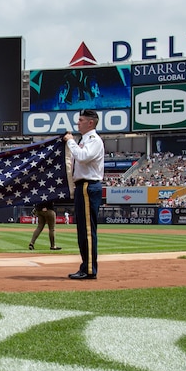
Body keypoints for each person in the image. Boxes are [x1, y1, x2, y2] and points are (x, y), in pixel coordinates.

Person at [63, 109, 104, 280]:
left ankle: (89, 269)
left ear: (91, 122)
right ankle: (85, 266)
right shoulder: (85, 139)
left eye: (81, 120)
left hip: (89, 185)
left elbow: (82, 157)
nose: (78, 123)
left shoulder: (94, 140)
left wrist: (70, 142)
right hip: (82, 186)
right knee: (82, 230)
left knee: (87, 230)